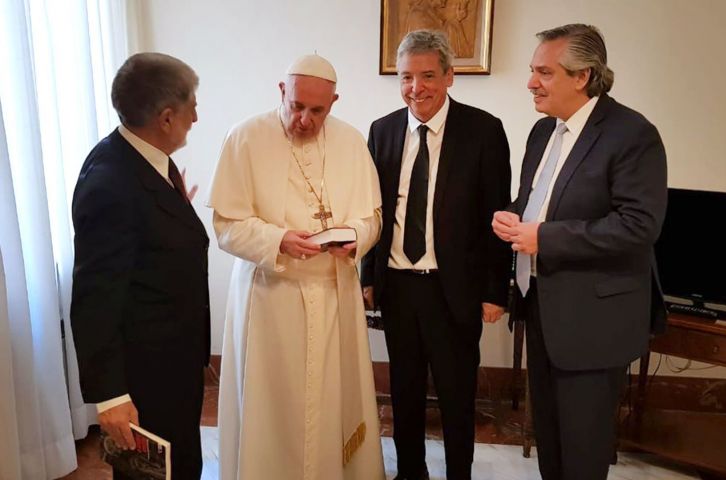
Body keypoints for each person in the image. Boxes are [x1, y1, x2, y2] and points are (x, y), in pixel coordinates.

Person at [492, 24, 668, 480]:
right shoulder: (541, 132)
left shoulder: (632, 134)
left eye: (544, 73)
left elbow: (639, 226)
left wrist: (544, 238)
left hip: (594, 324)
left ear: (582, 76)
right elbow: (539, 203)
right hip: (542, 313)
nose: (531, 82)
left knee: (583, 453)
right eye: (533, 71)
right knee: (550, 441)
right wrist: (511, 218)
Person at [207, 54, 385, 480]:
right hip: (271, 296)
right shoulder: (245, 138)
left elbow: (373, 218)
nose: (304, 119)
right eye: (297, 106)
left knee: (330, 398)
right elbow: (226, 226)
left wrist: (356, 236)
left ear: (334, 102)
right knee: (274, 403)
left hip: (333, 290)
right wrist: (276, 240)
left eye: (317, 110)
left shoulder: (351, 141)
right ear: (281, 91)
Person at [362, 30, 511, 480]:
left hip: (455, 291)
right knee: (403, 393)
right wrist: (368, 276)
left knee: (456, 395)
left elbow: (497, 216)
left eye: (427, 76)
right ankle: (410, 472)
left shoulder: (484, 131)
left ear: (450, 76)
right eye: (406, 77)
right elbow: (375, 211)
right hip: (398, 285)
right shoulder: (383, 130)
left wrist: (495, 290)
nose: (416, 88)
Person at [70, 52, 209, 479]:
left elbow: (149, 243)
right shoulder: (112, 182)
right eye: (192, 107)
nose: (197, 117)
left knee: (182, 465)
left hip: (172, 362)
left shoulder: (143, 156)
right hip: (146, 375)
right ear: (166, 118)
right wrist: (110, 397)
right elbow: (95, 297)